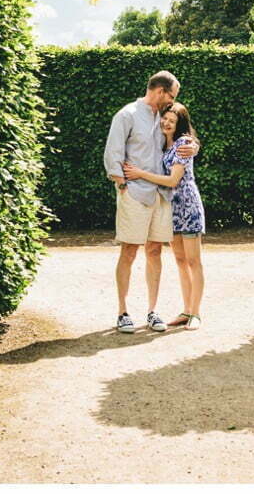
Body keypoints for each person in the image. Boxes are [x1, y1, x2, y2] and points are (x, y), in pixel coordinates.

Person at [103, 71, 199, 334]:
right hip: (135, 194)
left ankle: (152, 311)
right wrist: (123, 186)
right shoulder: (127, 115)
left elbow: (182, 135)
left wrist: (194, 146)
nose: (172, 101)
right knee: (129, 251)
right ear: (159, 91)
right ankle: (123, 312)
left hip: (162, 196)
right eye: (171, 96)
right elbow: (112, 154)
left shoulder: (164, 116)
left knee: (155, 251)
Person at [123, 102, 205, 330]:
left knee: (193, 261)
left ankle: (196, 313)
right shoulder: (162, 142)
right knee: (180, 261)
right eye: (165, 118)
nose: (167, 123)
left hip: (187, 206)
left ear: (180, 124)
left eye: (172, 121)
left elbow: (172, 180)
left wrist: (139, 173)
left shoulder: (183, 143)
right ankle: (186, 310)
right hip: (170, 208)